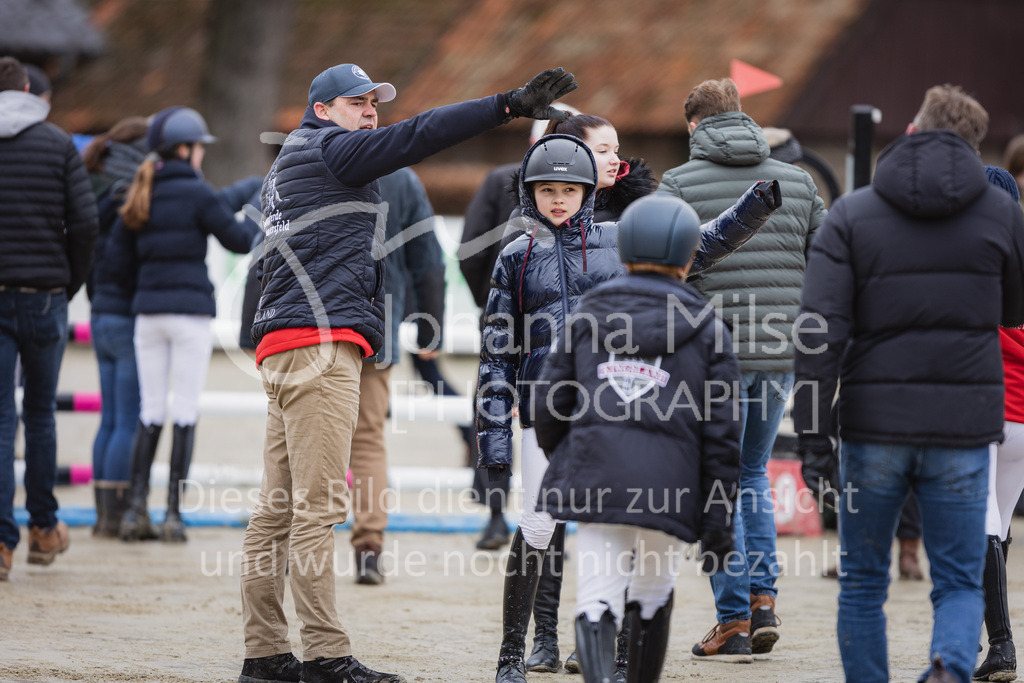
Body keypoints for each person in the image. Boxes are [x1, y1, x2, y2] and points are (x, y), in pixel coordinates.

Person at [238, 63, 579, 683]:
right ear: (322, 110)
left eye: (373, 103)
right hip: (321, 343)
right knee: (315, 508)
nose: (369, 112)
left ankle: (264, 652)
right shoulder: (333, 152)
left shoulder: (291, 160)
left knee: (278, 508)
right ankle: (325, 655)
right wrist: (506, 105)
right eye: (355, 102)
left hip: (287, 343)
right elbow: (422, 133)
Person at [477, 132, 778, 683]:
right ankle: (509, 655)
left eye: (569, 189)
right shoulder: (513, 258)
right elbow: (496, 352)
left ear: (589, 192)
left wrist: (753, 206)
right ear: (530, 194)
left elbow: (700, 244)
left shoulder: (617, 241)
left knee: (624, 521)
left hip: (610, 405)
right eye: (547, 190)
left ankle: (619, 660)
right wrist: (494, 437)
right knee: (538, 525)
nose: (558, 199)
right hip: (542, 412)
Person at [792, 85, 1024, 683]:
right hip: (965, 423)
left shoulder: (851, 214)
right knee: (957, 577)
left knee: (865, 582)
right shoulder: (1003, 213)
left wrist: (815, 443)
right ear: (974, 149)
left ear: (913, 133)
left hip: (874, 425)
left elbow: (818, 338)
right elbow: (1014, 307)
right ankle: (949, 666)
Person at [533, 193, 742, 682]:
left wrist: (569, 454)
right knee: (651, 594)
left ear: (623, 252)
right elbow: (723, 435)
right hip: (670, 484)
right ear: (691, 256)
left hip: (596, 473)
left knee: (597, 593)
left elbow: (549, 402)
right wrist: (718, 521)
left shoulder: (586, 313)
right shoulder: (710, 328)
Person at [656, 76, 827, 661]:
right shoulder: (799, 183)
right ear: (746, 119)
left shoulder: (677, 183)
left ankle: (731, 618)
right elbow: (828, 265)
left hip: (712, 358)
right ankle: (763, 601)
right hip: (781, 353)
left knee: (716, 485)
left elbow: (664, 269)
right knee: (753, 473)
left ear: (693, 127)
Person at [522, 112, 658, 677]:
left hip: (613, 382)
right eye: (603, 149)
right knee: (546, 514)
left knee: (610, 518)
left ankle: (602, 636)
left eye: (617, 149)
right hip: (549, 380)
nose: (614, 159)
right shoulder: (536, 219)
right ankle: (545, 636)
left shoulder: (634, 214)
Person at [107, 106, 260, 544]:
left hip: (148, 314)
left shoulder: (143, 189)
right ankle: (174, 513)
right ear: (186, 149)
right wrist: (254, 210)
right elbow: (237, 241)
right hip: (190, 313)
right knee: (185, 412)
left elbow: (117, 261)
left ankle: (137, 509)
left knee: (150, 410)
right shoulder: (197, 192)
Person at [459, 105, 579, 553]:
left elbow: (470, 255)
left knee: (495, 408)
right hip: (537, 318)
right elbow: (472, 253)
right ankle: (540, 519)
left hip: (509, 316)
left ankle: (496, 515)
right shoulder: (579, 190)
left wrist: (492, 307)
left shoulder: (499, 179)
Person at [0, 57, 98, 580]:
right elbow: (85, 223)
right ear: (27, 90)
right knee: (39, 414)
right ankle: (42, 527)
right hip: (44, 295)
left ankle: (1, 541)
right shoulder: (58, 144)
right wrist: (68, 283)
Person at [349, 166, 447, 586]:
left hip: (308, 327)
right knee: (368, 438)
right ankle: (368, 547)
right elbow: (427, 257)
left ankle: (290, 544)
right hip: (375, 324)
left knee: (301, 436)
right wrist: (430, 326)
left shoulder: (304, 159)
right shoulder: (402, 178)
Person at [81, 116, 149, 537]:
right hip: (126, 315)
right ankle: (117, 514)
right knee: (128, 419)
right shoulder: (129, 196)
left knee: (109, 419)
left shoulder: (98, 187)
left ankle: (103, 513)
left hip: (99, 312)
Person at [974, 165, 1024, 682]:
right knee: (1000, 524)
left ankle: (1001, 644)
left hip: (989, 406)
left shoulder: (973, 258)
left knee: (981, 521)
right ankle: (984, 633)